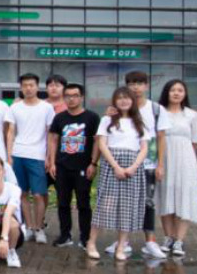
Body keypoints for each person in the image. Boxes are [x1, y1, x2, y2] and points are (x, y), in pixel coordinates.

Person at [107, 71, 171, 259]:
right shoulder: (118, 108)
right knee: (122, 202)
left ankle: (150, 241)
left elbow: (161, 138)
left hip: (148, 164)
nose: (136, 87)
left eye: (140, 83)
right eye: (132, 83)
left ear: (146, 86)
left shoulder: (156, 109)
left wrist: (160, 164)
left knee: (148, 203)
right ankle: (123, 242)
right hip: (123, 165)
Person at [86, 87, 148, 261]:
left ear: (132, 100)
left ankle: (121, 247)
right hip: (111, 164)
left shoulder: (139, 121)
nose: (123, 101)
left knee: (128, 207)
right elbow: (102, 144)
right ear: (114, 101)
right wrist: (116, 166)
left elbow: (144, 148)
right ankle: (91, 243)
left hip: (133, 167)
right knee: (104, 205)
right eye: (119, 98)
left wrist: (134, 167)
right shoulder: (107, 120)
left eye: (127, 98)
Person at [47, 83, 100, 248]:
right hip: (62, 166)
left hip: (83, 166)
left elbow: (97, 141)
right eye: (68, 96)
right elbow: (53, 139)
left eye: (75, 95)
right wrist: (52, 162)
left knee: (84, 203)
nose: (71, 99)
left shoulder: (92, 117)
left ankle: (85, 238)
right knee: (63, 202)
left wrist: (93, 163)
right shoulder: (59, 118)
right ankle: (65, 235)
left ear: (82, 97)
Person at [4, 73, 55, 244]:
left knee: (39, 194)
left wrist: (49, 157)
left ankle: (39, 228)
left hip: (38, 156)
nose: (28, 88)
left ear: (37, 86)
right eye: (25, 85)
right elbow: (10, 132)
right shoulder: (14, 107)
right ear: (21, 87)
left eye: (31, 85)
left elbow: (50, 134)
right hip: (18, 154)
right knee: (22, 193)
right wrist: (9, 155)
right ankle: (28, 227)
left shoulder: (46, 108)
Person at [157, 79, 197, 257]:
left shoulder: (192, 115)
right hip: (164, 159)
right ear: (166, 92)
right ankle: (168, 237)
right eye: (173, 90)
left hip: (185, 160)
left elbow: (196, 141)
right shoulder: (159, 113)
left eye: (180, 90)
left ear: (185, 94)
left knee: (183, 196)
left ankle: (179, 240)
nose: (176, 93)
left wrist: (187, 161)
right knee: (165, 196)